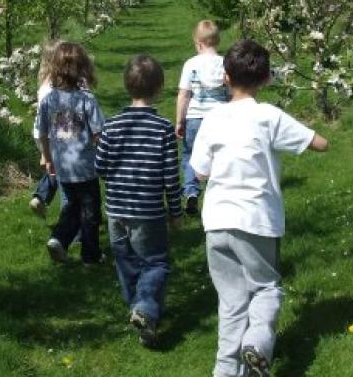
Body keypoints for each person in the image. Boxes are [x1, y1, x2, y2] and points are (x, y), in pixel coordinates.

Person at [189, 40, 328, 377]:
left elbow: (199, 170)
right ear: (267, 79)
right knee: (265, 288)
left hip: (218, 221)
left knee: (232, 303)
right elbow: (321, 143)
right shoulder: (268, 115)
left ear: (225, 77)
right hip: (256, 219)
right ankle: (257, 343)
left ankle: (226, 371)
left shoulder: (213, 118)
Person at [95, 54, 183, 347]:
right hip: (148, 211)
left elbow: (100, 167)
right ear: (159, 88)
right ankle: (145, 307)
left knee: (126, 262)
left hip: (117, 209)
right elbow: (171, 175)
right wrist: (176, 210)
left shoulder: (111, 125)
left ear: (126, 86)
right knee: (156, 263)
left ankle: (140, 311)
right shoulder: (162, 129)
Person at [39, 42, 105, 266]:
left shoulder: (48, 101)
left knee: (72, 208)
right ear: (83, 69)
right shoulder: (87, 100)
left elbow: (43, 133)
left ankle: (59, 238)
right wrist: (105, 158)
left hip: (63, 167)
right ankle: (91, 256)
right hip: (85, 167)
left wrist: (47, 158)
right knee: (90, 212)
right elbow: (98, 135)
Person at [175, 20, 229, 216]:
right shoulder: (225, 64)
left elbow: (184, 95)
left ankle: (191, 192)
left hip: (195, 118)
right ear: (217, 41)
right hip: (220, 118)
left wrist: (180, 121)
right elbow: (230, 92)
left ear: (198, 43)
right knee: (219, 155)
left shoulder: (191, 64)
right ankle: (217, 192)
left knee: (191, 155)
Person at [29, 39, 63, 217]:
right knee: (62, 170)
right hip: (50, 135)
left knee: (56, 169)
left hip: (40, 133)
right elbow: (48, 121)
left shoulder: (45, 83)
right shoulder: (53, 88)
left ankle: (40, 198)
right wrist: (45, 152)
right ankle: (71, 216)